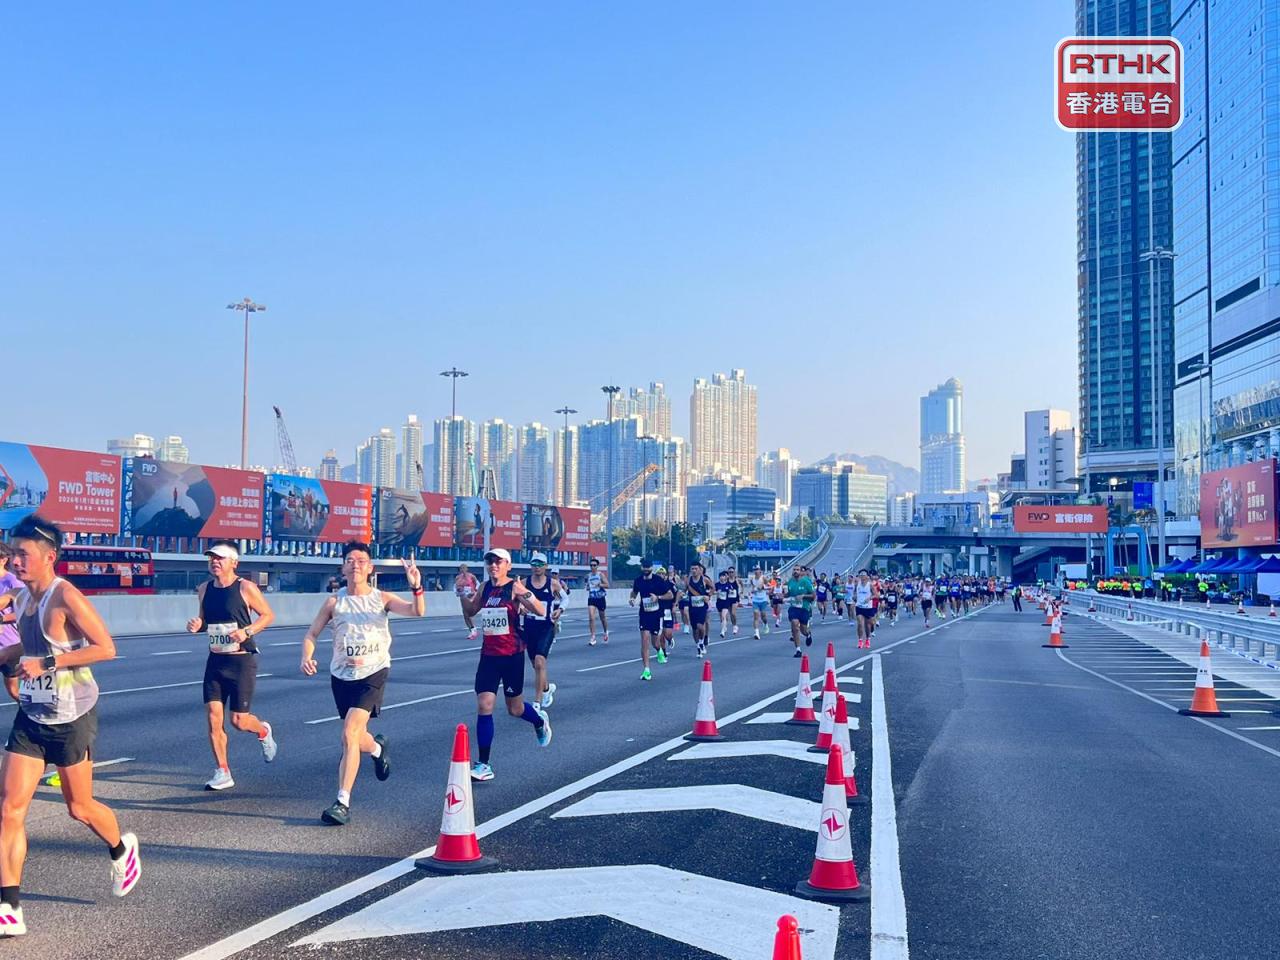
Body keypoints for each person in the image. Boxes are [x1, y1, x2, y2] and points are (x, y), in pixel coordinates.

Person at [0, 518, 140, 936]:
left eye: (24, 554)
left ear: (49, 557)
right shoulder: (22, 598)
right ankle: (9, 907)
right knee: (9, 809)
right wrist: (12, 660)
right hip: (32, 715)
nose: (16, 561)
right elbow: (26, 646)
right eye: (13, 553)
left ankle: (121, 849)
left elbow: (107, 648)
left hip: (72, 716)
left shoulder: (66, 597)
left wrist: (43, 663)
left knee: (79, 808)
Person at [299, 544, 423, 825]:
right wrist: (307, 656)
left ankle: (342, 802)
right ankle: (378, 749)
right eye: (350, 560)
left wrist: (416, 586)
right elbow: (312, 633)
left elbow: (416, 611)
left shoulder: (382, 598)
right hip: (341, 675)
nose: (355, 565)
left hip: (373, 672)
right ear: (343, 568)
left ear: (370, 569)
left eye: (361, 561)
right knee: (357, 736)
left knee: (348, 734)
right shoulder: (334, 603)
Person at [186, 541, 277, 791]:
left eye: (220, 558)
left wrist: (246, 631)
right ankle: (222, 771)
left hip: (241, 661)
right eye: (211, 558)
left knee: (239, 721)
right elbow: (206, 621)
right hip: (215, 660)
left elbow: (268, 615)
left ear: (233, 563)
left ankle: (262, 731)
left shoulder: (245, 588)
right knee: (214, 717)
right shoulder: (204, 589)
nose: (215, 562)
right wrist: (197, 625)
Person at [463, 548, 550, 782]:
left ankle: (539, 720)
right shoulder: (484, 587)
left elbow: (541, 610)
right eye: (490, 561)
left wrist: (526, 594)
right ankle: (484, 764)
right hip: (489, 655)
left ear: (508, 566)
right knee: (485, 703)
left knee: (515, 709)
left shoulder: (514, 587)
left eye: (498, 562)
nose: (493, 565)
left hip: (512, 655)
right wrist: (463, 595)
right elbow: (471, 611)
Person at [521, 553, 566, 710]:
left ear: (546, 566)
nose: (537, 567)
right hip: (529, 626)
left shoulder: (552, 584)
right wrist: (520, 608)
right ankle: (546, 688)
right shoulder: (524, 583)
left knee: (540, 661)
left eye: (540, 564)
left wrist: (560, 609)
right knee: (535, 664)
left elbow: (565, 598)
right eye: (534, 564)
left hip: (546, 626)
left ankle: (537, 702)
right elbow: (516, 599)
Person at [629, 560, 673, 680]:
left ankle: (659, 650)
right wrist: (632, 599)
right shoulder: (638, 581)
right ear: (641, 567)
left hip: (656, 614)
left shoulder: (658, 580)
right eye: (644, 567)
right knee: (644, 640)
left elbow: (670, 595)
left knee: (655, 642)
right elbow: (634, 592)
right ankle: (646, 670)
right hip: (644, 614)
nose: (646, 569)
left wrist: (658, 597)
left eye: (648, 567)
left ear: (652, 568)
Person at [685, 562, 714, 657]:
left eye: (695, 569)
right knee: (694, 628)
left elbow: (713, 588)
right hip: (692, 606)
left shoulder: (704, 579)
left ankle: (701, 641)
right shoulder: (688, 580)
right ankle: (698, 646)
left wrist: (708, 596)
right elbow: (684, 590)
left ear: (699, 570)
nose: (693, 571)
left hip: (702, 607)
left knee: (700, 626)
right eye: (692, 569)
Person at [786, 565, 816, 657]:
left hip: (804, 608)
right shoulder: (790, 582)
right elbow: (789, 593)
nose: (795, 571)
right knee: (795, 625)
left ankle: (808, 634)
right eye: (794, 569)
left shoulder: (806, 582)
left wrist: (803, 596)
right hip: (793, 608)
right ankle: (798, 649)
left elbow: (813, 595)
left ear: (800, 572)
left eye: (797, 570)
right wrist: (782, 595)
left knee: (803, 630)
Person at [585, 558, 610, 646]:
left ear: (597, 566)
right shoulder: (588, 576)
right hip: (592, 598)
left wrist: (600, 585)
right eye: (591, 565)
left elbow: (608, 585)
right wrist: (588, 587)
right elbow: (588, 586)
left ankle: (606, 631)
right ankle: (593, 637)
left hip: (600, 598)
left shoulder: (600, 575)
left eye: (594, 565)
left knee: (602, 617)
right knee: (591, 617)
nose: (592, 567)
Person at [455, 563, 480, 641]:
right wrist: (458, 590)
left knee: (469, 613)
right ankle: (472, 630)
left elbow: (477, 585)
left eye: (463, 568)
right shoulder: (457, 577)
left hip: (471, 595)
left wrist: (475, 591)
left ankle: (473, 630)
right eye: (461, 568)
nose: (462, 569)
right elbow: (456, 587)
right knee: (465, 615)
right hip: (463, 596)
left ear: (466, 569)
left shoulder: (471, 576)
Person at [854, 570, 875, 650]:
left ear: (867, 576)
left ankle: (867, 639)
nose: (862, 576)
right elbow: (855, 593)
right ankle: (860, 640)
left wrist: (869, 598)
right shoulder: (857, 584)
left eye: (863, 575)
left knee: (867, 625)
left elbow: (875, 594)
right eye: (861, 575)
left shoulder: (870, 585)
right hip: (859, 606)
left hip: (868, 607)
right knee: (859, 623)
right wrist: (854, 596)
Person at [748, 567, 771, 639]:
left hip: (763, 600)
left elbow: (770, 586)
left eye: (757, 570)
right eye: (755, 570)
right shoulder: (752, 579)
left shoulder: (763, 578)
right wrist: (752, 591)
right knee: (756, 615)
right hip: (755, 600)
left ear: (760, 571)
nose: (756, 571)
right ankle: (756, 633)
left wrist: (763, 587)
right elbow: (752, 587)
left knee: (763, 615)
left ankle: (766, 624)